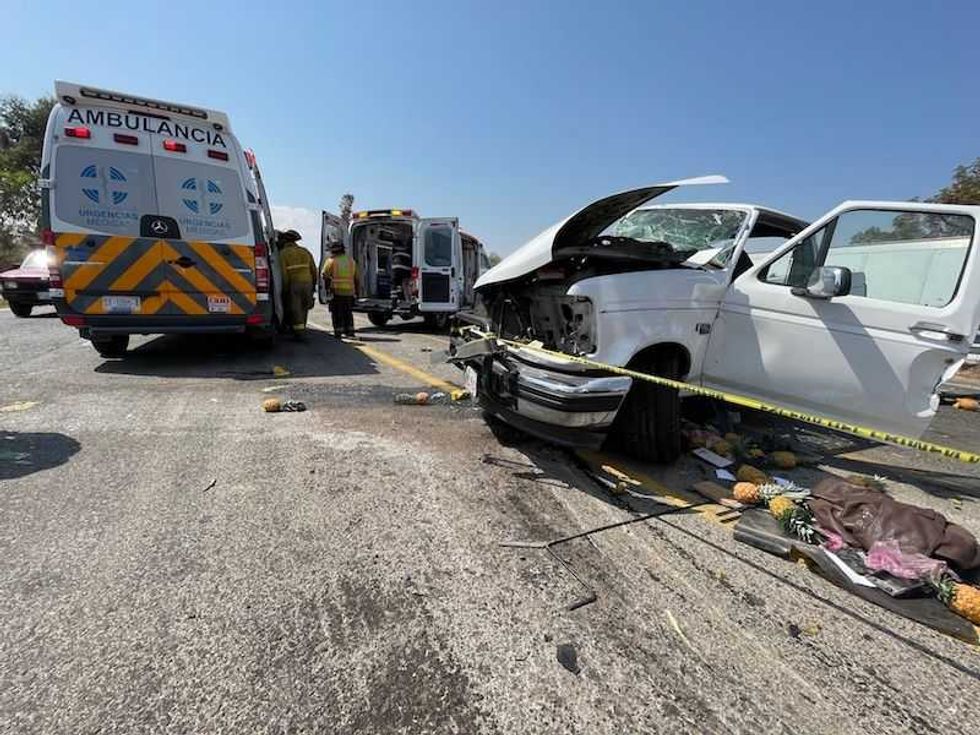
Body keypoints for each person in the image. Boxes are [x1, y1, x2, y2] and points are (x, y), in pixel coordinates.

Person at [277, 229, 317, 338]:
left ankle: (299, 333)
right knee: (304, 307)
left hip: (294, 284)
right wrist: (313, 285)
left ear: (284, 241)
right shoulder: (305, 251)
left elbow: (284, 275)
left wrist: (284, 289)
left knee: (296, 308)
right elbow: (313, 270)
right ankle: (302, 328)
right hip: (308, 283)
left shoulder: (282, 254)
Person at [322, 240, 358, 338]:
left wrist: (327, 290)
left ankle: (338, 331)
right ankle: (350, 331)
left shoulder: (331, 261)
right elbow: (356, 277)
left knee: (337, 312)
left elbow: (325, 276)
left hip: (337, 291)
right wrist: (356, 292)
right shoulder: (351, 261)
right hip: (350, 291)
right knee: (348, 312)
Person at [390, 237, 413, 305]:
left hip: (396, 268)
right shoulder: (408, 249)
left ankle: (394, 300)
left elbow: (392, 258)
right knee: (405, 283)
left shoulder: (395, 250)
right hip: (406, 268)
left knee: (394, 283)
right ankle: (405, 299)